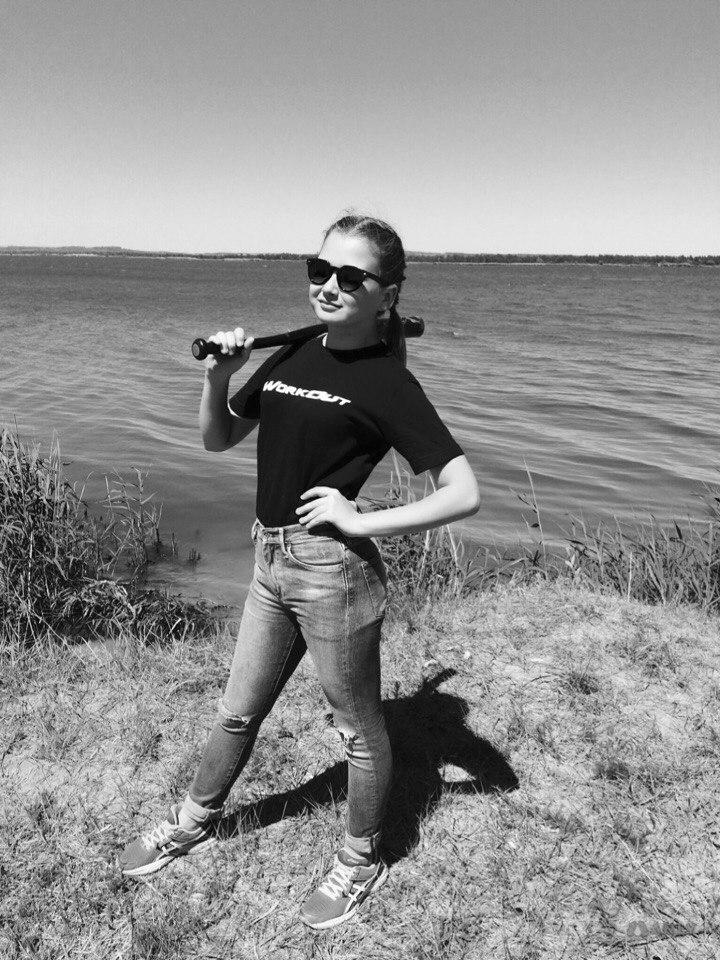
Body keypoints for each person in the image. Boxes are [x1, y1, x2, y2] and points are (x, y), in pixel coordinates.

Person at [118, 213, 480, 930]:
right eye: (319, 269)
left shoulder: (387, 383)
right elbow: (220, 437)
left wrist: (360, 520)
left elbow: (463, 491)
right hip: (270, 562)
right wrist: (219, 377)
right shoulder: (294, 351)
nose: (328, 285)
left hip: (332, 572)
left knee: (358, 732)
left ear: (387, 295)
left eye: (350, 276)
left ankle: (361, 858)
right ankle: (191, 823)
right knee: (237, 710)